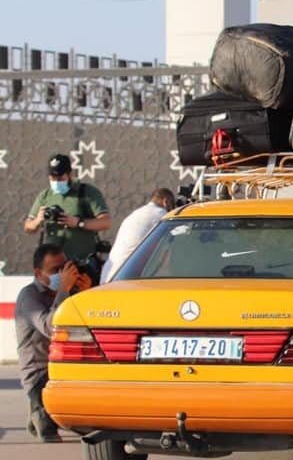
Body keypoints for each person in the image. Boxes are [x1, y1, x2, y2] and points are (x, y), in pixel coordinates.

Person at [15, 244, 92, 443]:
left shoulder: (67, 291)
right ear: (38, 273)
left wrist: (86, 294)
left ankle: (42, 412)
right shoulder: (29, 295)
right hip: (39, 373)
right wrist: (64, 290)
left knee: (90, 429)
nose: (60, 274)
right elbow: (51, 328)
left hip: (68, 366)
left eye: (63, 268)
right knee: (49, 434)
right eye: (54, 271)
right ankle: (38, 411)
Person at [23, 154, 112, 261]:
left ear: (70, 174)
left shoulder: (87, 192)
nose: (56, 182)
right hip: (54, 264)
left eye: (60, 178)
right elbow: (28, 227)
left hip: (82, 262)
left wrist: (79, 223)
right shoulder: (45, 196)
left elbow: (106, 222)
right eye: (53, 178)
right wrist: (38, 220)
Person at [100, 188, 176, 283]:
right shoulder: (161, 214)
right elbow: (179, 232)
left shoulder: (136, 214)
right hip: (126, 277)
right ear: (166, 202)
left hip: (108, 274)